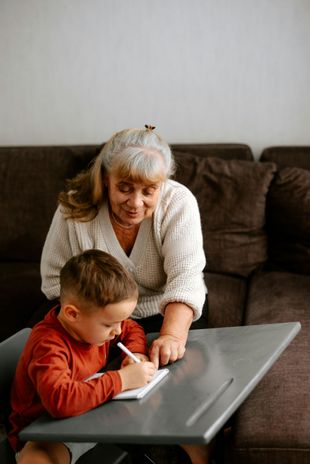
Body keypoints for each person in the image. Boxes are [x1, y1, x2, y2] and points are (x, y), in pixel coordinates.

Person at [39, 125, 207, 368]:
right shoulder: (74, 206)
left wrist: (171, 336)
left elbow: (186, 279)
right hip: (96, 317)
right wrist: (100, 323)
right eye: (125, 188)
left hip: (165, 311)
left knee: (176, 374)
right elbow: (55, 281)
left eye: (149, 191)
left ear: (163, 183)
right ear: (107, 178)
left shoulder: (179, 203)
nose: (135, 203)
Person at [8, 249, 156, 464]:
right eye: (108, 324)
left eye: (119, 321)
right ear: (72, 314)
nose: (116, 331)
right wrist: (122, 379)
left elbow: (130, 328)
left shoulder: (94, 327)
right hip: (47, 431)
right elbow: (60, 401)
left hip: (91, 415)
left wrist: (136, 353)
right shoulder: (48, 346)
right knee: (36, 458)